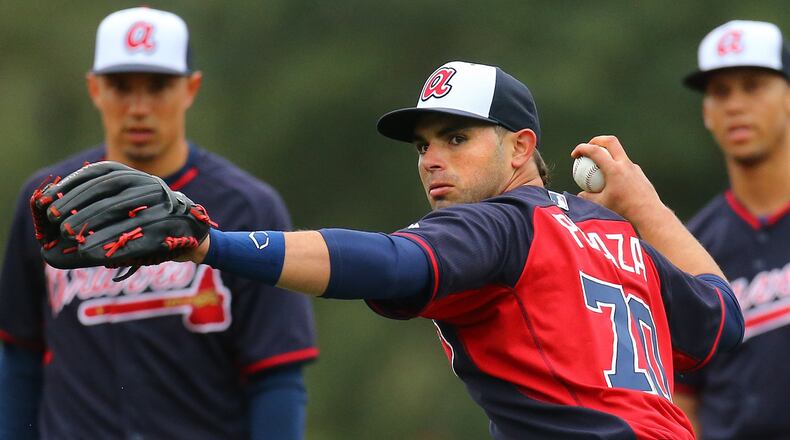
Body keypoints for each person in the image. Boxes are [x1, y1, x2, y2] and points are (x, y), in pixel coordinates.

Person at [52, 60, 745, 439]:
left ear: (522, 147)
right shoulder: (614, 237)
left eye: (456, 138)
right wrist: (644, 204)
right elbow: (722, 318)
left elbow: (384, 262)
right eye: (423, 145)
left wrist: (210, 242)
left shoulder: (500, 226)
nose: (431, 160)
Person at [0, 7, 317, 440]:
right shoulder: (49, 203)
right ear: (94, 88)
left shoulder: (248, 208)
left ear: (191, 88)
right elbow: (19, 357)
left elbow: (276, 374)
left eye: (158, 86)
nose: (138, 107)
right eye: (120, 86)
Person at [673, 20, 790, 439]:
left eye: (753, 85)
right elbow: (683, 396)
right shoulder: (690, 247)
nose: (735, 105)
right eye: (720, 92)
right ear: (706, 112)